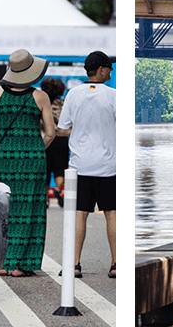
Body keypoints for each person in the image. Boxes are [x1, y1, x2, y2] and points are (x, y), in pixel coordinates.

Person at [0, 49, 55, 277]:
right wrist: (33, 148)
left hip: (6, 158)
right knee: (31, 211)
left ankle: (4, 263)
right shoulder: (40, 96)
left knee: (6, 210)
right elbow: (51, 133)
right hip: (34, 159)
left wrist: (11, 145)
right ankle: (21, 264)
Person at [58, 51, 116, 278]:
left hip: (80, 165)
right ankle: (115, 264)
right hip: (109, 165)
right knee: (112, 213)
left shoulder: (73, 94)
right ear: (101, 70)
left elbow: (62, 129)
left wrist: (80, 131)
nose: (111, 71)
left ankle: (74, 264)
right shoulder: (114, 95)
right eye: (109, 67)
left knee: (80, 214)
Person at [41, 78, 69, 206]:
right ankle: (58, 189)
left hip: (44, 138)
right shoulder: (62, 104)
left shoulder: (40, 103)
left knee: (45, 169)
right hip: (60, 139)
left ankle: (46, 199)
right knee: (59, 169)